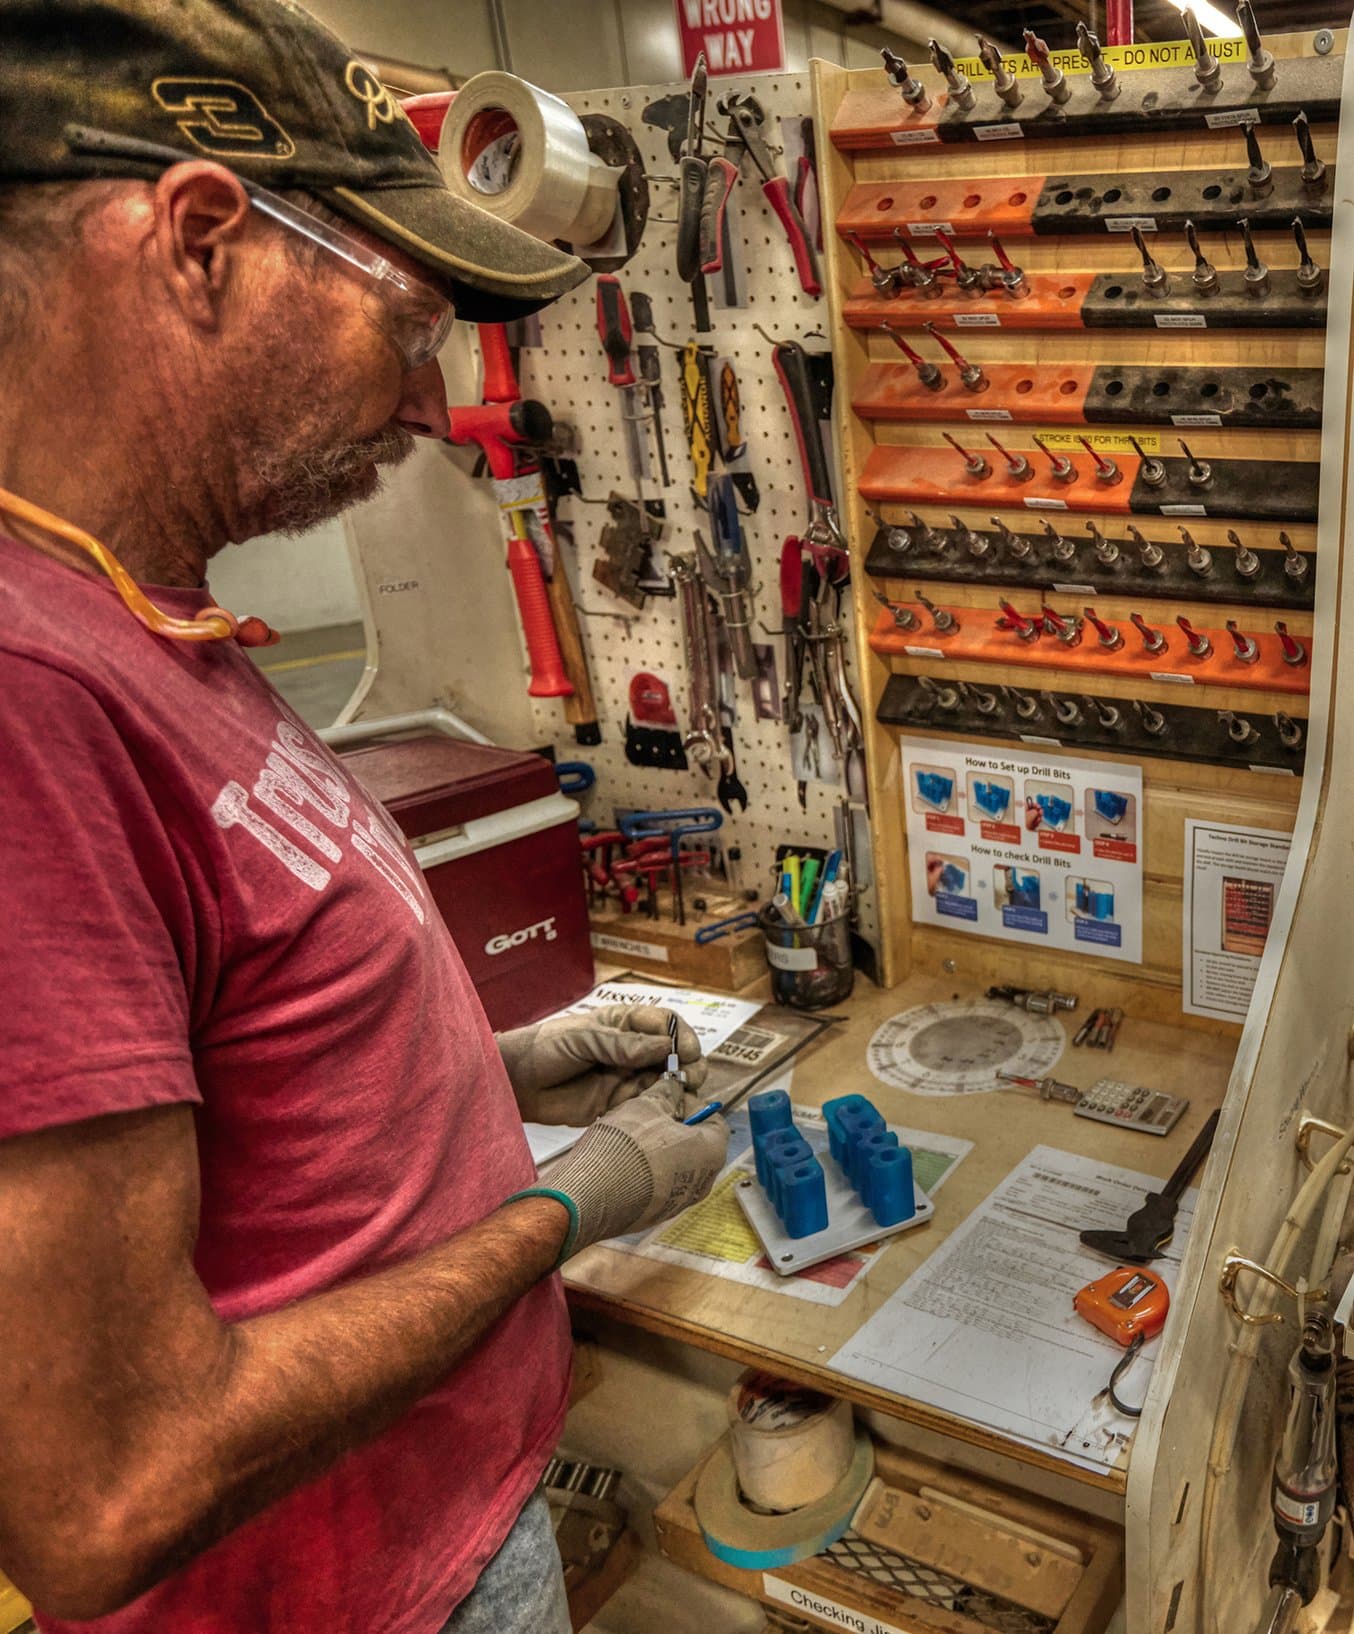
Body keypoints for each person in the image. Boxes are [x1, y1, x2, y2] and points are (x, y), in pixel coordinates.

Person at [0, 3, 730, 1630]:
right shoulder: (26, 700)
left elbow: (226, 1064)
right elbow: (109, 1489)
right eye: (406, 326)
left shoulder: (139, 620)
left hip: (434, 1525)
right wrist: (561, 1208)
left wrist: (482, 1068)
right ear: (198, 241)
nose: (426, 405)